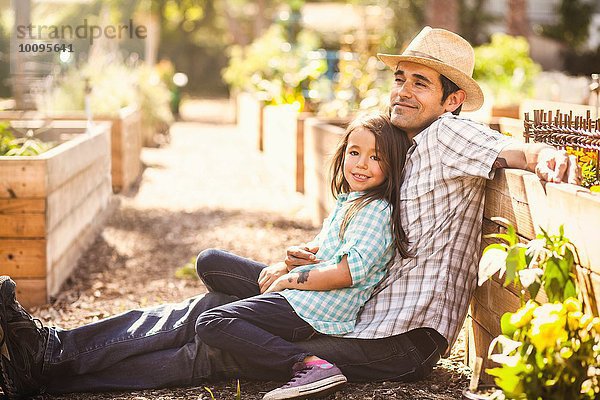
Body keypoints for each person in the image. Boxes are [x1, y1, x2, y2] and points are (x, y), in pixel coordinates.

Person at [0, 26, 580, 400]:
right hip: (361, 306)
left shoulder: (450, 134)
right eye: (400, 77)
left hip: (397, 335)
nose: (402, 89)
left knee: (220, 340)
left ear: (452, 98)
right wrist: (321, 257)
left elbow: (510, 149)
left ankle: (51, 365)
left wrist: (548, 154)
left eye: (420, 83)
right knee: (209, 304)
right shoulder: (404, 143)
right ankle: (52, 355)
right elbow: (373, 237)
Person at [194, 112, 411, 400]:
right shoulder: (351, 201)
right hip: (303, 296)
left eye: (375, 157)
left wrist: (289, 279)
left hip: (315, 309)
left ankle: (309, 365)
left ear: (392, 165)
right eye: (355, 152)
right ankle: (252, 323)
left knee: (210, 322)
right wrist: (294, 259)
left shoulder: (376, 211)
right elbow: (323, 249)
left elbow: (344, 273)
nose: (360, 164)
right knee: (211, 262)